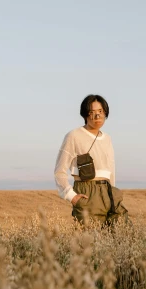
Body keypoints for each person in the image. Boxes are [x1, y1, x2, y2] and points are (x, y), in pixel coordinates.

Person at [54, 94, 129, 226]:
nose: (97, 116)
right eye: (92, 112)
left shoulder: (107, 138)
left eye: (100, 111)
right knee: (91, 241)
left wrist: (113, 191)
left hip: (109, 192)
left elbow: (111, 169)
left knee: (124, 234)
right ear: (85, 115)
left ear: (105, 113)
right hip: (87, 192)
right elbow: (59, 171)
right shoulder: (73, 136)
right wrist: (71, 196)